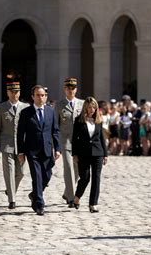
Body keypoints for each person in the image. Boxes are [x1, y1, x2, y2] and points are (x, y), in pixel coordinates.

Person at [17, 85, 61, 216]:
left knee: (47, 175)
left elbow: (55, 131)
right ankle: (40, 205)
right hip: (32, 151)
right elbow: (20, 134)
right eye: (38, 95)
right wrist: (21, 152)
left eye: (43, 95)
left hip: (47, 149)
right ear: (33, 97)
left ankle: (34, 194)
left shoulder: (50, 111)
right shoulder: (25, 113)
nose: (40, 98)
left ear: (46, 97)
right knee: (36, 177)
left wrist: (57, 148)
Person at [0, 82, 29, 209]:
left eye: (16, 92)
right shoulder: (1, 107)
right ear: (8, 93)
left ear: (19, 93)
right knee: (9, 171)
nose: (14, 94)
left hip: (22, 146)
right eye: (12, 92)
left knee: (21, 173)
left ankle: (10, 190)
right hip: (7, 144)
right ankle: (12, 200)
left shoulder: (26, 107)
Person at [72, 97, 108, 213]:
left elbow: (102, 138)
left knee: (96, 178)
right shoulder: (79, 120)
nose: (91, 109)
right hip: (83, 153)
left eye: (93, 107)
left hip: (98, 152)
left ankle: (93, 204)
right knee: (85, 178)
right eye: (89, 107)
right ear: (85, 108)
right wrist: (75, 154)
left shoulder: (98, 120)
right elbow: (74, 139)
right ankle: (77, 197)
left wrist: (105, 154)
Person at [54, 77, 84, 207]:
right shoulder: (59, 105)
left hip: (79, 142)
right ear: (64, 89)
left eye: (73, 88)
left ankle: (67, 192)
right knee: (68, 168)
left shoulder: (82, 104)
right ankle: (71, 198)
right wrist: (56, 145)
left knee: (77, 169)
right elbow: (56, 126)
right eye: (68, 88)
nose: (70, 90)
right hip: (65, 141)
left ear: (76, 89)